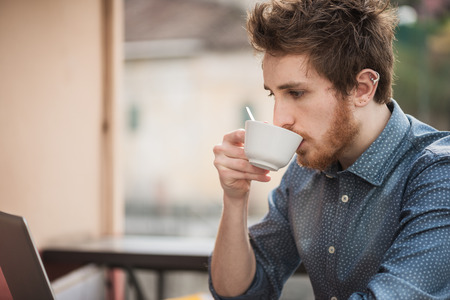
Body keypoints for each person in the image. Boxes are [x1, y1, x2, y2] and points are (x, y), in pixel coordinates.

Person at [209, 0, 450, 299]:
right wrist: (235, 197)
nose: (278, 119)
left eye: (296, 93)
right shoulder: (303, 174)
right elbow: (240, 292)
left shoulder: (439, 175)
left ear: (362, 88)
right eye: (274, 94)